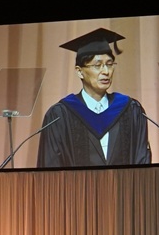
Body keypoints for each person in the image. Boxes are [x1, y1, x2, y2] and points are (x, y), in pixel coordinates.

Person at [36, 28, 152, 168]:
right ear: (80, 72)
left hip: (123, 189)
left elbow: (142, 162)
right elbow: (50, 168)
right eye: (97, 65)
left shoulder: (131, 110)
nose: (106, 71)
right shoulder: (60, 116)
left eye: (109, 64)